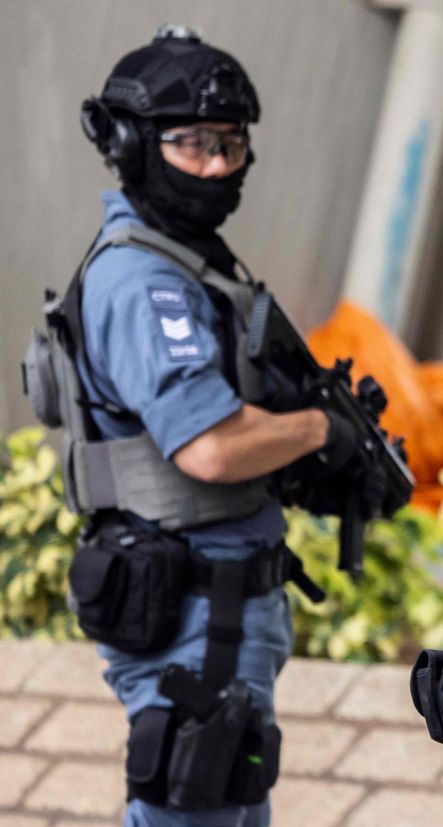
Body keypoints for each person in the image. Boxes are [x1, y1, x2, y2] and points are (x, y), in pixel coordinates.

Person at [52, 25, 375, 827]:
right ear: (130, 144)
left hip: (217, 598)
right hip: (193, 602)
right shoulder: (143, 280)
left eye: (231, 145)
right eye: (192, 144)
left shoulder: (189, 260)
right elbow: (211, 444)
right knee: (193, 805)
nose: (218, 167)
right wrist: (315, 432)